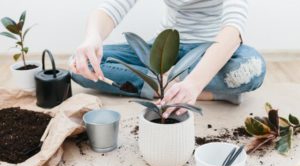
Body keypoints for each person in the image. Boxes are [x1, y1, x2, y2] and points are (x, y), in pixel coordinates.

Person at [70, 0, 266, 119]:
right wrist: (92, 37)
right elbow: (112, 7)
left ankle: (182, 88)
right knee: (80, 65)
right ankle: (211, 91)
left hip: (208, 50)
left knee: (252, 67)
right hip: (164, 47)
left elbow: (233, 30)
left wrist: (194, 83)